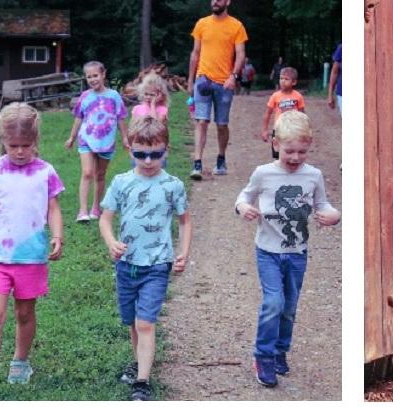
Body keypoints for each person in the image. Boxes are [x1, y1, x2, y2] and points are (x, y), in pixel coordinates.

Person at [0, 103, 65, 400]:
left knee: (24, 313)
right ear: (2, 141)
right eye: (13, 146)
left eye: (26, 145)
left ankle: (20, 360)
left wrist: (58, 234)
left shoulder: (45, 172)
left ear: (36, 141)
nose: (20, 151)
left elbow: (53, 208)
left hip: (31, 258)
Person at [234, 111, 341, 387]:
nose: (294, 158)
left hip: (297, 253)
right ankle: (263, 355)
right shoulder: (264, 173)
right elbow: (243, 197)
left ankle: (281, 349)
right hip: (268, 251)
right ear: (275, 144)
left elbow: (322, 205)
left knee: (289, 306)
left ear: (309, 146)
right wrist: (244, 207)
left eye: (301, 152)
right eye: (289, 151)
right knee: (273, 303)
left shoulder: (313, 175)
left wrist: (334, 215)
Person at [98, 116, 191, 401]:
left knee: (145, 323)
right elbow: (105, 218)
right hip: (126, 264)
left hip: (157, 264)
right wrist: (111, 241)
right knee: (132, 321)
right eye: (141, 154)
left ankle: (142, 381)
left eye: (156, 154)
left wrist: (183, 251)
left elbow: (185, 221)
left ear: (166, 151)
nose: (148, 160)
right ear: (130, 150)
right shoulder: (121, 182)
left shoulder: (172, 185)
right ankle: (139, 360)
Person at [188, 0, 247, 180]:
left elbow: (241, 54)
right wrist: (190, 80)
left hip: (225, 83)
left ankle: (221, 159)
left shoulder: (236, 26)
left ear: (227, 2)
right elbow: (195, 53)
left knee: (221, 124)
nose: (215, 2)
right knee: (201, 121)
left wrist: (234, 76)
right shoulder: (202, 24)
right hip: (203, 79)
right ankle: (197, 163)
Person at [68, 61, 126, 223]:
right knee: (87, 173)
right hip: (86, 139)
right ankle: (82, 211)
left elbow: (120, 118)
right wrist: (72, 137)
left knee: (100, 175)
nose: (92, 79)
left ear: (103, 75)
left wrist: (125, 138)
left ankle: (95, 208)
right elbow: (79, 117)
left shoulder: (114, 96)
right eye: (89, 77)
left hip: (106, 141)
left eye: (95, 75)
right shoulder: (85, 96)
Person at [261, 67, 306, 159]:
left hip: (294, 129)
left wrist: (304, 130)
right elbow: (267, 114)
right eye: (281, 78)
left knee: (291, 152)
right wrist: (265, 130)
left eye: (286, 79)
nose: (282, 81)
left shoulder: (298, 96)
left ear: (294, 82)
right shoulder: (275, 96)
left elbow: (302, 115)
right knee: (277, 154)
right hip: (278, 129)